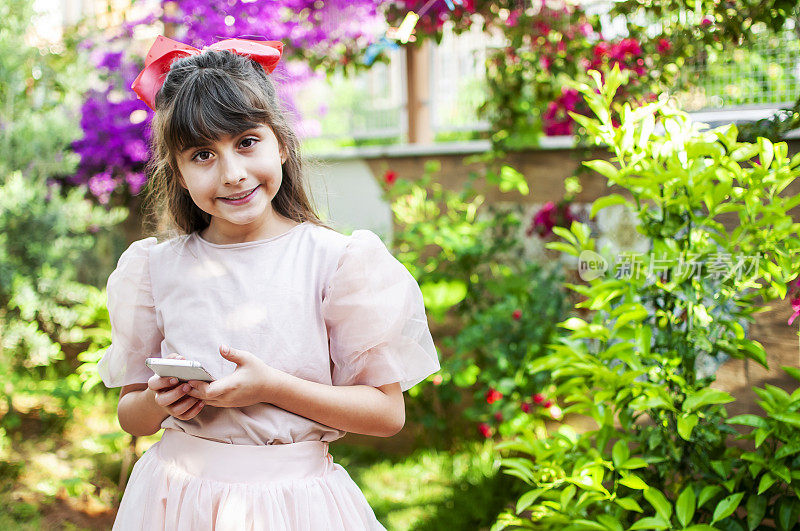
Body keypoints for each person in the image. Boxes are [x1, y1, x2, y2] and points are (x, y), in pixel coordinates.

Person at [97, 35, 440, 531]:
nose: (232, 174)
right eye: (202, 155)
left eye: (246, 142)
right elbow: (131, 414)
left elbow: (386, 414)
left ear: (281, 144)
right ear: (177, 170)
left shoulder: (336, 261)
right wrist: (158, 400)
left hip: (292, 508)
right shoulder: (155, 268)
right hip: (174, 500)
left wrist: (272, 387)